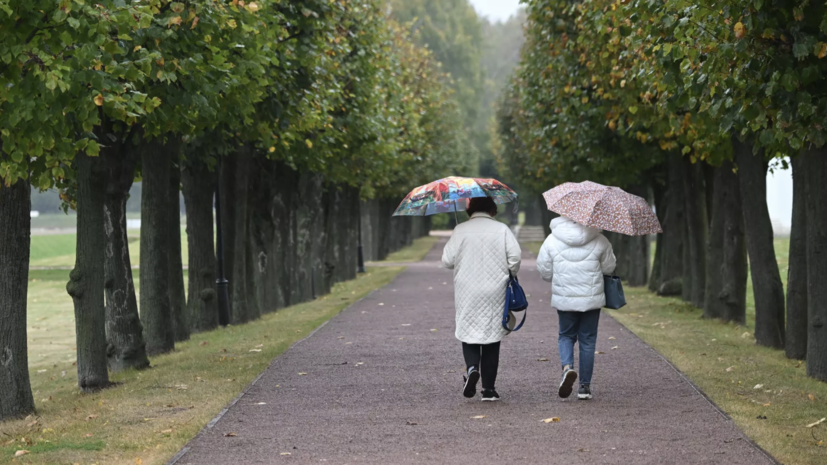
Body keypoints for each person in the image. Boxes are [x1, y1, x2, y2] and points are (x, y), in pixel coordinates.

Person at [442, 196, 522, 402]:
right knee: (492, 336)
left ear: (471, 211)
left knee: (468, 330)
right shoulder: (502, 229)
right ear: (492, 210)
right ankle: (488, 390)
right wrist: (510, 274)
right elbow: (514, 258)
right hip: (495, 289)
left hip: (466, 288)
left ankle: (471, 369)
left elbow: (447, 261)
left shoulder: (460, 230)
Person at [536, 216, 616, 400]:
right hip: (591, 298)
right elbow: (609, 268)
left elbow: (545, 271)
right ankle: (584, 387)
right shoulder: (599, 239)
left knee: (566, 335)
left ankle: (567, 367)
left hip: (565, 298)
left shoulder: (552, 239)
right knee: (587, 341)